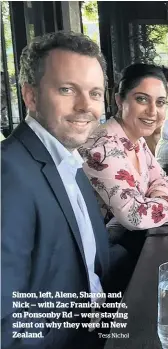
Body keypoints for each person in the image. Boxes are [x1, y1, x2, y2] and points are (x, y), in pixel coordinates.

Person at [1, 31, 121, 348]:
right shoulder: (9, 174)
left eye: (95, 93)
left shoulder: (66, 159)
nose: (85, 106)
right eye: (66, 89)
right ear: (31, 96)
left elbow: (84, 262)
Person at [79, 63, 168, 233]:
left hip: (135, 240)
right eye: (142, 99)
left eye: (160, 102)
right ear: (120, 101)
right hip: (107, 251)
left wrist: (158, 199)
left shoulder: (135, 140)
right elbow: (135, 215)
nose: (152, 111)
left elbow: (161, 180)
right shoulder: (102, 146)